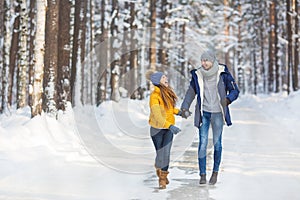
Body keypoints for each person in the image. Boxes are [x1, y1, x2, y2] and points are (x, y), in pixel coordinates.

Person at [180, 50, 239, 185]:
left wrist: (228, 100)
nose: (204, 63)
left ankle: (215, 172)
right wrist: (185, 106)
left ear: (212, 61)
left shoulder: (223, 73)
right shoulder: (198, 75)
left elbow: (235, 90)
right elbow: (191, 92)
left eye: (207, 60)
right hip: (204, 113)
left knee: (217, 144)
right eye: (202, 60)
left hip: (218, 113)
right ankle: (202, 174)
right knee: (202, 144)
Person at [147, 70, 181, 189]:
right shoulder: (154, 97)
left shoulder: (167, 93)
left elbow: (169, 109)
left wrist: (180, 112)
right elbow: (157, 115)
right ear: (157, 81)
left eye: (165, 76)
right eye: (163, 77)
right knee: (160, 155)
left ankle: (162, 178)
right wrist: (170, 125)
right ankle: (159, 167)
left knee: (166, 153)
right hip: (156, 130)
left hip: (168, 129)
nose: (166, 78)